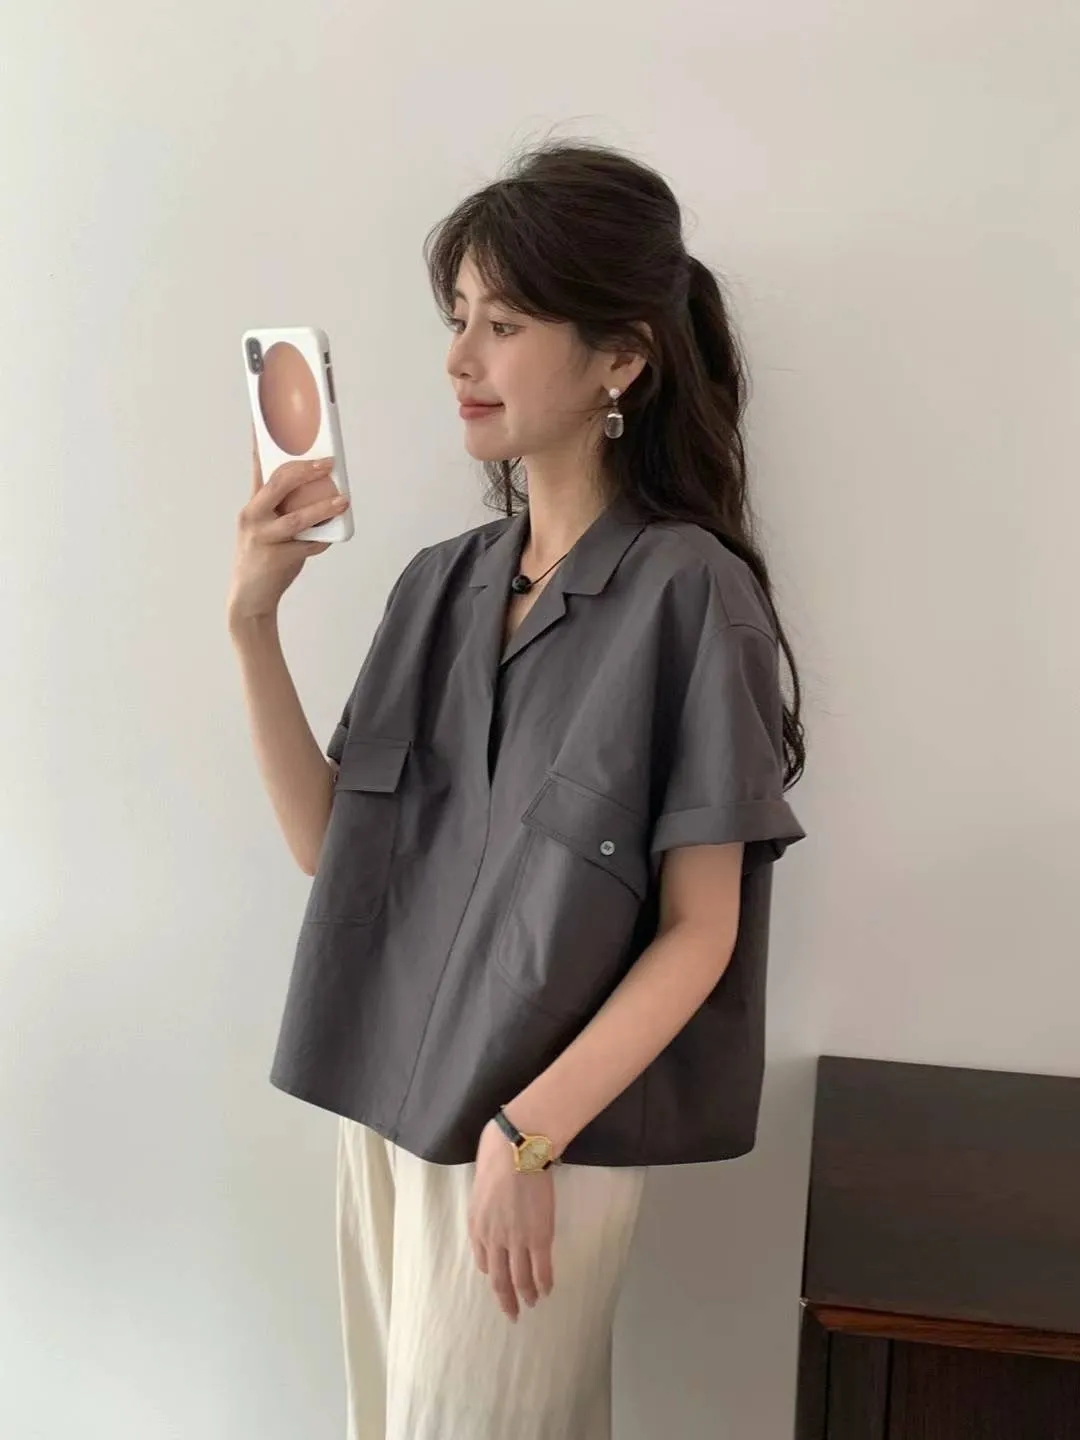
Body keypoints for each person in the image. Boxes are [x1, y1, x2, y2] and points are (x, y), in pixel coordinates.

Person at [227, 138, 806, 1440]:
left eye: (504, 323)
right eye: (457, 319)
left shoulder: (689, 597)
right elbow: (335, 850)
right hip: (386, 1108)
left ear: (621, 360)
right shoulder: (440, 585)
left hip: (542, 1138)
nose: (459, 359)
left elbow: (701, 931)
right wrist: (253, 624)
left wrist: (525, 1134)